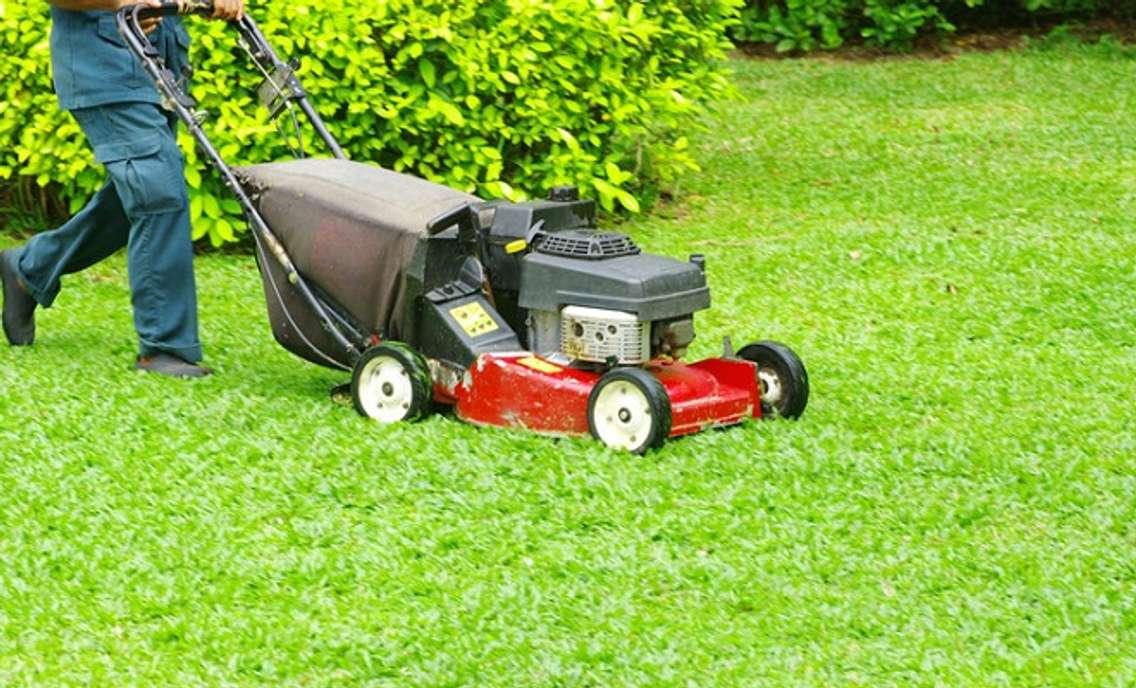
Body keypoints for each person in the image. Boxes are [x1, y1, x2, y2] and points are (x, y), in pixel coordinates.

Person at [0, 0, 243, 377]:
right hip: (103, 65)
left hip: (158, 63)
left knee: (128, 202)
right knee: (158, 190)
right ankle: (164, 347)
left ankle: (28, 270)